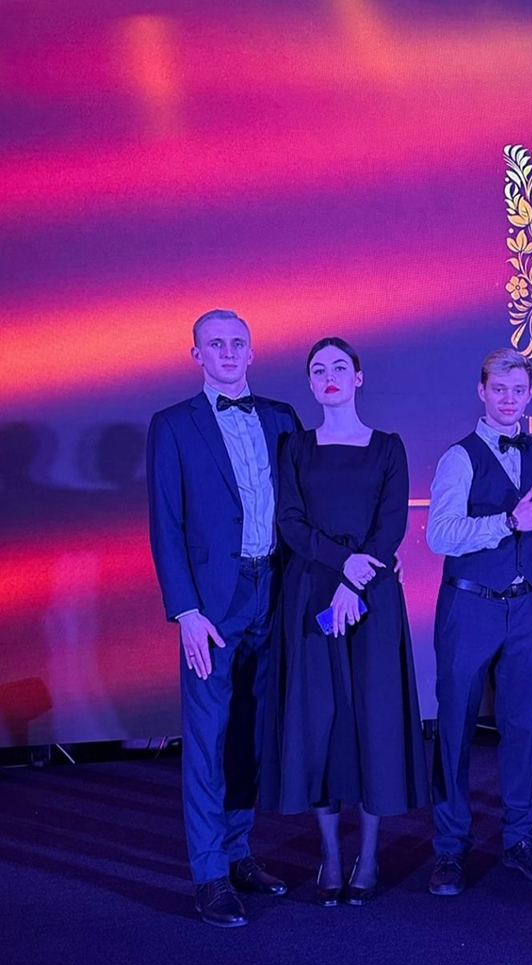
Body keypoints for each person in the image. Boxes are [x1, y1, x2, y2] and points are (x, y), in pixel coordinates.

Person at [260, 337, 427, 906]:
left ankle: (369, 857)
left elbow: (391, 525)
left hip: (372, 595)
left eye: (338, 367)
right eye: (318, 370)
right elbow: (289, 522)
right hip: (310, 594)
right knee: (320, 723)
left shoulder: (388, 447)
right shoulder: (295, 447)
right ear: (310, 383)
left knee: (373, 722)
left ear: (358, 377)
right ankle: (331, 856)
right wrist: (341, 567)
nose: (328, 375)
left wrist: (355, 581)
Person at [147, 309, 299, 927]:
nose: (229, 352)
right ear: (197, 355)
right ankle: (209, 875)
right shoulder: (172, 424)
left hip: (275, 591)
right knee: (208, 739)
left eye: (238, 342)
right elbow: (166, 524)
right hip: (211, 606)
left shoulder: (282, 418)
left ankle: (238, 853)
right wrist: (185, 611)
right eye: (216, 344)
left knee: (251, 735)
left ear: (252, 351)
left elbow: (299, 512)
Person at [425, 348, 532, 896]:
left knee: (521, 724)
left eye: (518, 390)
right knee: (455, 727)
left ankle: (520, 838)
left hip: (524, 605)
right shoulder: (459, 458)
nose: (508, 399)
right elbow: (439, 534)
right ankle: (449, 848)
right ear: (482, 391)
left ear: (530, 394)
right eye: (499, 389)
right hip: (469, 605)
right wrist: (507, 522)